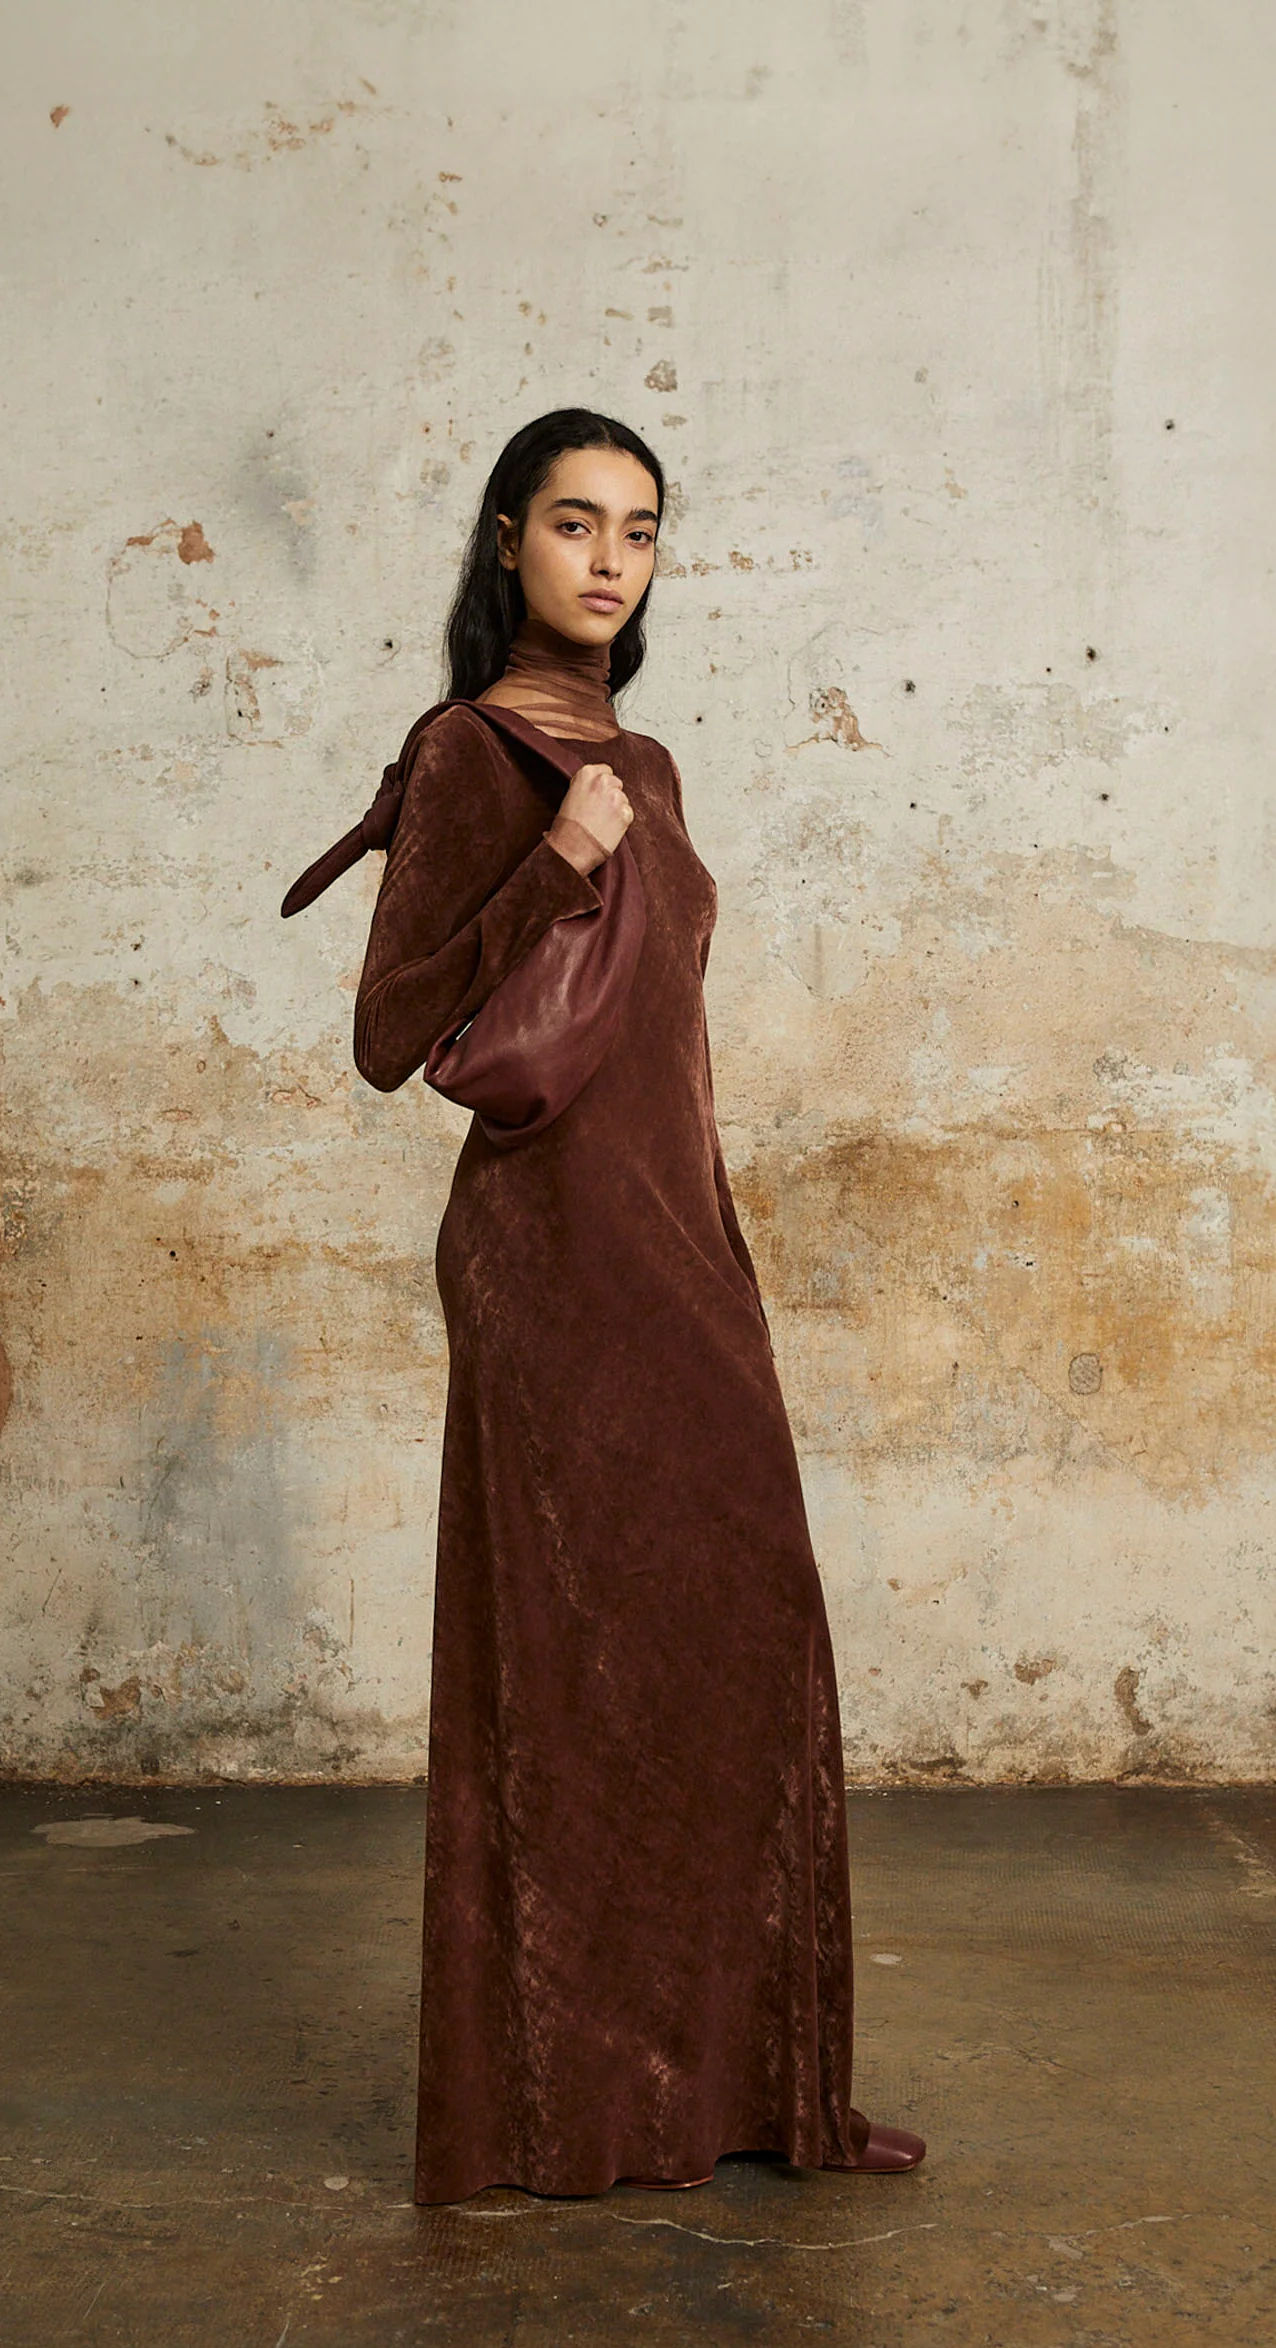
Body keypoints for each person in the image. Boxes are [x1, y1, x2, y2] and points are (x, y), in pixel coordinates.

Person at [349, 406, 925, 2203]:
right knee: (568, 1678)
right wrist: (557, 861)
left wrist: (723, 1244)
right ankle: (562, 2108)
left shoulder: (650, 763)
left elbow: (667, 1050)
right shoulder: (469, 752)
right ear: (508, 539)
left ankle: (742, 2090)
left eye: (642, 530)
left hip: (676, 1242)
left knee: (737, 1633)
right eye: (576, 522)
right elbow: (389, 1033)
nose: (610, 559)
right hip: (546, 1261)